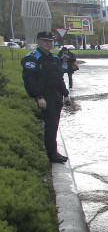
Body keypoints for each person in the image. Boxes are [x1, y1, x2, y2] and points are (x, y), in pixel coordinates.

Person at [22, 31, 71, 163]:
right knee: (51, 124)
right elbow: (30, 80)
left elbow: (59, 78)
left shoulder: (54, 58)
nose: (48, 43)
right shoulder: (32, 58)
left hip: (56, 94)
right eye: (44, 41)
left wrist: (66, 94)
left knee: (55, 124)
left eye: (50, 41)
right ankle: (52, 154)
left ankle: (54, 151)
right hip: (45, 95)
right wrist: (39, 97)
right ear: (38, 41)